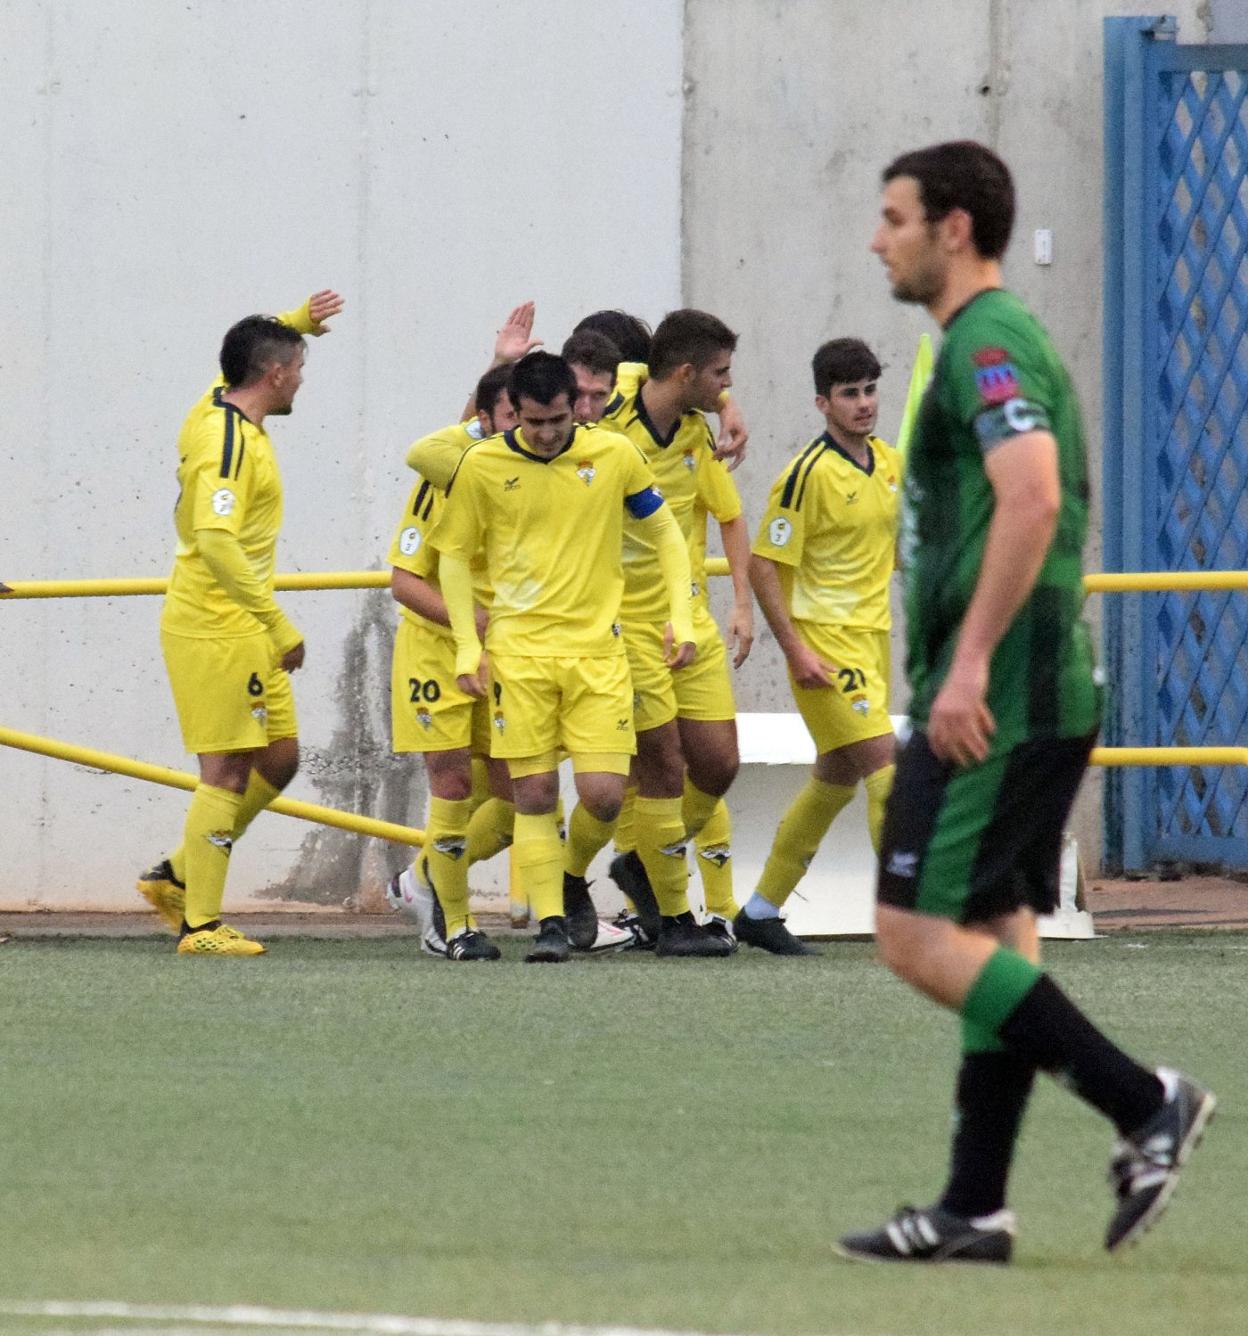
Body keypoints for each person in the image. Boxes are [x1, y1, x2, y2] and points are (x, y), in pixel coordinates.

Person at [838, 140, 1213, 1263]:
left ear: (954, 228)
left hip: (999, 695)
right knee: (997, 933)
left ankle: (1144, 1099)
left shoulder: (991, 341)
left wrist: (964, 669)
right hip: (1020, 690)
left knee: (911, 932)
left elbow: (1033, 496)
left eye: (894, 216)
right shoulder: (971, 342)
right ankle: (973, 1208)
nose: (877, 236)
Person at [429, 351, 697, 962]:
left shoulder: (612, 455)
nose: (547, 434)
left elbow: (663, 533)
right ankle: (551, 925)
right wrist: (469, 648)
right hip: (519, 657)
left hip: (598, 654)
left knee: (604, 795)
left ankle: (572, 875)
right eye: (533, 422)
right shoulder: (482, 465)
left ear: (575, 407)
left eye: (557, 420)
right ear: (513, 413)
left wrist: (680, 618)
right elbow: (452, 555)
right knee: (534, 793)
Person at [138, 290, 344, 954]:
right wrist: (276, 622)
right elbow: (216, 541)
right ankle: (199, 924)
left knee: (279, 759)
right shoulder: (227, 443)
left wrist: (299, 321)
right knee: (224, 771)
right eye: (299, 367)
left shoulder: (215, 405)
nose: (302, 381)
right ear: (276, 375)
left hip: (239, 627)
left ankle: (177, 873)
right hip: (218, 627)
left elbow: (245, 352)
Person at [600, 310, 753, 956]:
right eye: (719, 375)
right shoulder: (607, 419)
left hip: (690, 621)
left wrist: (742, 603)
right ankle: (671, 912)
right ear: (686, 373)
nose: (727, 386)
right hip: (625, 626)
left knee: (718, 765)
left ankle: (637, 862)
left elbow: (732, 516)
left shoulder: (695, 432)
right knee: (659, 765)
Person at [742, 339, 900, 954]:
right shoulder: (805, 475)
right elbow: (761, 568)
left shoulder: (889, 461)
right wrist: (796, 651)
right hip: (827, 650)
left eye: (869, 390)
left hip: (874, 641)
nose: (863, 404)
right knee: (888, 776)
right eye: (849, 394)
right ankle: (911, 920)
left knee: (835, 778)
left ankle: (760, 910)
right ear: (821, 402)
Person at [384, 365, 519, 960]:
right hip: (435, 651)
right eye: (513, 418)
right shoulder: (442, 479)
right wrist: (476, 621)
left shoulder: (536, 481)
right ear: (483, 421)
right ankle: (453, 926)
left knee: (520, 798)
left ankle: (420, 880)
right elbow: (403, 582)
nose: (527, 432)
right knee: (453, 781)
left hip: (505, 657)